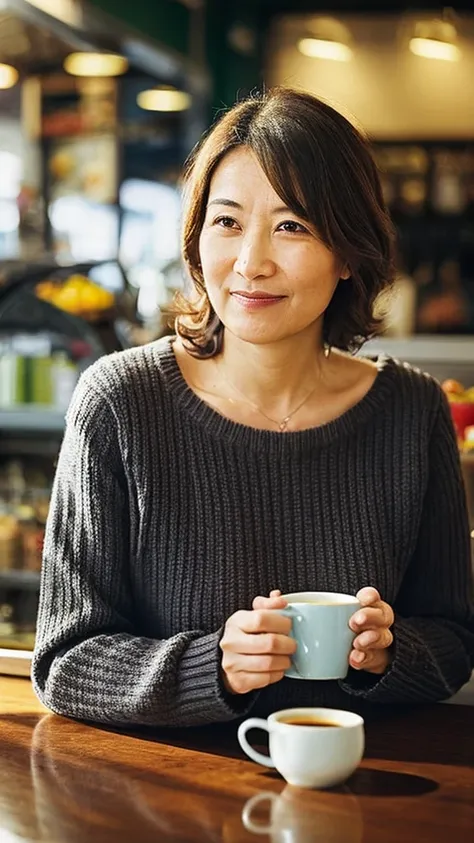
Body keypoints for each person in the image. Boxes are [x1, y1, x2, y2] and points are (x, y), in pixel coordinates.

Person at [32, 88, 474, 727]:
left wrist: (389, 652)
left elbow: (454, 644)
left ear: (348, 251)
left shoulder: (412, 411)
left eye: (291, 226)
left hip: (360, 798)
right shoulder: (119, 404)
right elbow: (65, 661)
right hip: (165, 804)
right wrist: (213, 666)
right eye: (227, 221)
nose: (250, 262)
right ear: (195, 236)